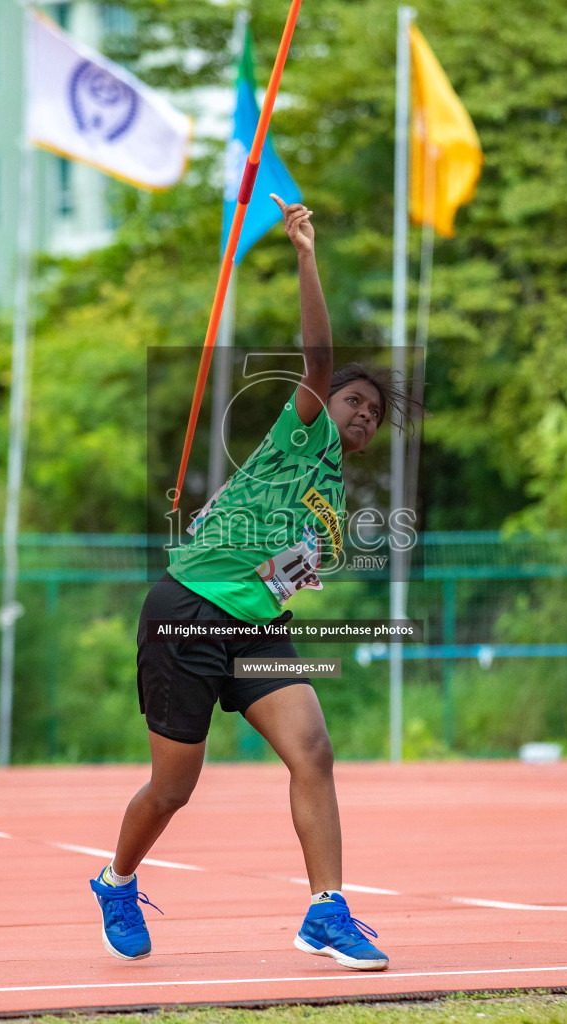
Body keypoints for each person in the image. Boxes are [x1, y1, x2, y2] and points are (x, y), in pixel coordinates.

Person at [90, 193, 416, 972]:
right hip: (187, 613)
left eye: (373, 413)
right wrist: (306, 255)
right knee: (174, 790)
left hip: (254, 625)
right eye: (353, 401)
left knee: (314, 750)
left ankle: (325, 910)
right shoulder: (299, 430)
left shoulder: (333, 502)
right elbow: (318, 356)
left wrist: (254, 548)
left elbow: (288, 572)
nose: (362, 414)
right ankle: (117, 879)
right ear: (324, 404)